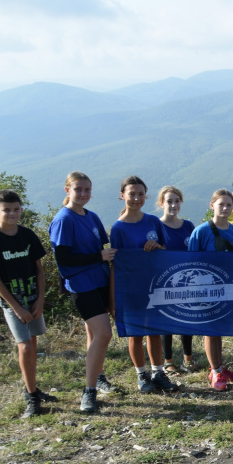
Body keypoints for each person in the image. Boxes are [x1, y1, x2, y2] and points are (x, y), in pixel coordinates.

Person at [49, 171, 117, 413]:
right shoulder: (63, 220)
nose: (83, 194)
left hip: (100, 281)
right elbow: (64, 259)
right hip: (81, 285)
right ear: (67, 190)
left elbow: (103, 248)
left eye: (87, 190)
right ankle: (89, 391)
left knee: (93, 334)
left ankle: (98, 377)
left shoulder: (92, 216)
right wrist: (98, 257)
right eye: (78, 189)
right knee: (104, 334)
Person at [0, 189, 55, 417]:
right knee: (24, 346)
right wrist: (16, 308)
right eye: (6, 210)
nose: (12, 214)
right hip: (12, 303)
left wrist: (40, 300)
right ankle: (32, 398)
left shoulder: (27, 235)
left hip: (33, 298)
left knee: (32, 344)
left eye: (16, 209)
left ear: (21, 210)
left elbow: (39, 270)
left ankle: (31, 387)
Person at [110, 176, 178, 394]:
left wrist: (156, 246)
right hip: (131, 287)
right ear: (123, 196)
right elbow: (116, 264)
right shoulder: (118, 228)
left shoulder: (153, 222)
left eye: (141, 194)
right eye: (132, 194)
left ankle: (158, 372)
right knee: (135, 333)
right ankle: (142, 374)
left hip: (154, 284)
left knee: (155, 330)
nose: (137, 198)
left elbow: (166, 252)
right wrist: (113, 298)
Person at [188, 188, 233, 391]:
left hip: (228, 289)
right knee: (211, 331)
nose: (225, 208)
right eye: (221, 204)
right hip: (206, 290)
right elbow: (191, 262)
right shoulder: (201, 231)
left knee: (219, 329)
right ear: (212, 206)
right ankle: (215, 372)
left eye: (229, 205)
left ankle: (219, 367)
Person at [156, 185, 197, 375]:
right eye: (169, 201)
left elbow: (197, 251)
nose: (173, 205)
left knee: (186, 318)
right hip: (165, 281)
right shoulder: (156, 226)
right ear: (161, 204)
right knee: (167, 320)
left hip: (187, 281)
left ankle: (188, 359)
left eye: (177, 201)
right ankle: (168, 361)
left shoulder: (188, 226)